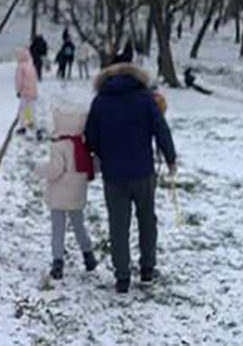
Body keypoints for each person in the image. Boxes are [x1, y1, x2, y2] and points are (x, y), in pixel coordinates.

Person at [85, 62, 177, 294]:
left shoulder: (100, 101)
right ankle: (147, 270)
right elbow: (160, 128)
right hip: (143, 171)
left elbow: (91, 136)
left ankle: (122, 277)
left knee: (118, 224)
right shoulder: (145, 98)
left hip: (114, 173)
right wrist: (170, 158)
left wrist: (100, 153)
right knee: (147, 219)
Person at [35, 105, 98, 280]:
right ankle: (88, 256)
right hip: (77, 194)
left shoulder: (59, 147)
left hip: (58, 196)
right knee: (79, 226)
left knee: (58, 229)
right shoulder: (84, 146)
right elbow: (93, 166)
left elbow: (55, 170)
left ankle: (57, 262)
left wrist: (39, 168)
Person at [15, 47, 40, 138]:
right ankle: (34, 124)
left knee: (23, 109)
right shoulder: (30, 65)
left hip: (25, 91)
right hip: (33, 90)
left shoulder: (20, 67)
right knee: (32, 109)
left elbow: (19, 80)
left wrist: (18, 90)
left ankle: (23, 126)